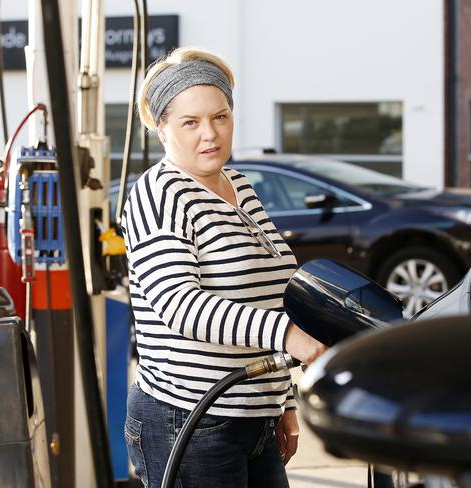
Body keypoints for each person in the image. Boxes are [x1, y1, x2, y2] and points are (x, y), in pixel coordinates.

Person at [121, 46, 327, 488]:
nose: (209, 134)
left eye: (220, 117)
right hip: (192, 420)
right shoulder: (159, 195)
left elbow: (265, 295)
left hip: (253, 415)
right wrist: (293, 338)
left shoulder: (237, 185)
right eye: (190, 122)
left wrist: (283, 401)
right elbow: (182, 305)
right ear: (162, 129)